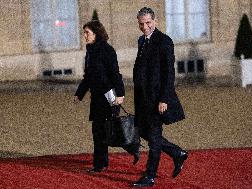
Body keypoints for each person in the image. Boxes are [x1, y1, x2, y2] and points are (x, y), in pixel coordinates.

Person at [132, 7, 188, 187]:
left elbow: (169, 73)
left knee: (154, 137)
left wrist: (164, 98)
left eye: (148, 23)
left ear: (155, 21)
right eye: (141, 24)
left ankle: (150, 175)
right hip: (142, 98)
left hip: (157, 98)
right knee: (143, 132)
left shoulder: (165, 41)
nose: (145, 27)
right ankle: (177, 153)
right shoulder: (141, 40)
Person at [74, 20, 139, 173]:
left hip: (109, 97)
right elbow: (88, 76)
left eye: (87, 33)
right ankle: (102, 163)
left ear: (96, 34)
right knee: (100, 131)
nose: (84, 36)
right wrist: (79, 94)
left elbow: (115, 74)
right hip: (97, 98)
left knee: (111, 130)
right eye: (84, 33)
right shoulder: (90, 51)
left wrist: (121, 94)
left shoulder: (107, 50)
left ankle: (127, 150)